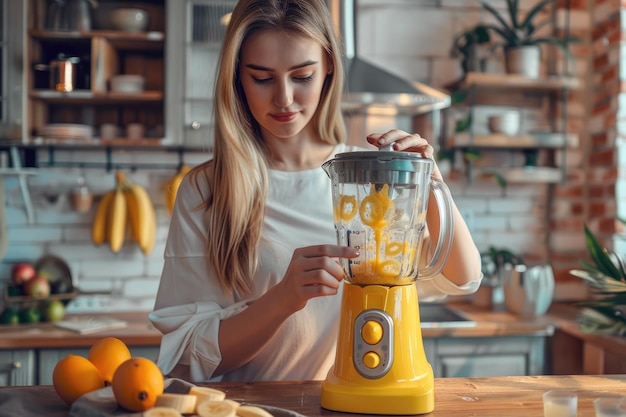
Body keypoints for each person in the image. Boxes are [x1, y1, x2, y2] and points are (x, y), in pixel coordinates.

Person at [149, 0, 482, 383]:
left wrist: (429, 177)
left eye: (302, 76)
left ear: (328, 68)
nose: (284, 99)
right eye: (261, 78)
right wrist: (283, 298)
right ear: (237, 78)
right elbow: (190, 356)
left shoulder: (365, 180)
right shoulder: (206, 191)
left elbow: (463, 277)